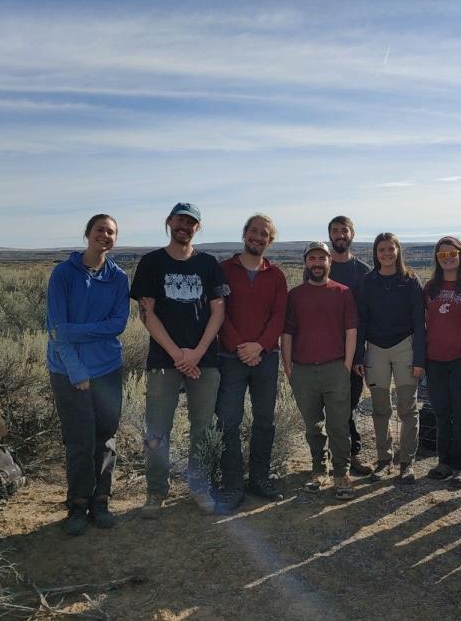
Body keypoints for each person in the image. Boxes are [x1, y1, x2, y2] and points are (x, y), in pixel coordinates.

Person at [130, 202, 227, 518]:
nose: (185, 226)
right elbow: (147, 313)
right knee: (157, 427)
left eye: (191, 222)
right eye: (180, 220)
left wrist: (196, 353)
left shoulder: (210, 264)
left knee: (203, 426)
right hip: (163, 359)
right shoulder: (152, 262)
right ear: (169, 222)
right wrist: (177, 354)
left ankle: (199, 487)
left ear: (198, 228)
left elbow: (218, 311)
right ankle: (155, 492)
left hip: (204, 359)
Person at [46, 214, 129, 535]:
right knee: (80, 439)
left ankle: (101, 500)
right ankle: (78, 504)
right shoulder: (64, 274)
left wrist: (74, 331)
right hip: (69, 371)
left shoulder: (118, 278)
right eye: (100, 230)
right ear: (87, 234)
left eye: (111, 232)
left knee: (106, 437)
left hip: (107, 368)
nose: (105, 236)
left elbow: (118, 324)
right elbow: (56, 330)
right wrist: (76, 369)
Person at [215, 214, 288, 513]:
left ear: (270, 240)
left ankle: (259, 478)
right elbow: (219, 314)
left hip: (266, 358)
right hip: (229, 359)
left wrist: (259, 346)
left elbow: (279, 316)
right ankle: (233, 485)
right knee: (228, 422)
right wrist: (239, 347)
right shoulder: (223, 270)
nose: (258, 237)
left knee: (264, 422)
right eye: (254, 231)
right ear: (245, 233)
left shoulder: (277, 276)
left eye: (265, 234)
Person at [282, 241, 359, 500]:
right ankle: (318, 468)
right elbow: (287, 332)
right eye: (312, 258)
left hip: (335, 368)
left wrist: (346, 365)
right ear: (306, 262)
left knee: (339, 425)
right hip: (302, 371)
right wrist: (288, 366)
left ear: (330, 262)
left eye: (321, 258)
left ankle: (342, 473)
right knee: (312, 425)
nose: (317, 263)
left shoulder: (343, 292)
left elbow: (351, 331)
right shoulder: (295, 295)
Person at [354, 233, 425, 484]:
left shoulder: (410, 280)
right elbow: (361, 319)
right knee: (381, 408)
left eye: (390, 249)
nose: (386, 253)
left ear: (398, 251)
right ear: (376, 253)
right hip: (375, 349)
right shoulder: (368, 281)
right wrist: (358, 355)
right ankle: (383, 460)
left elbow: (419, 321)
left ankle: (406, 462)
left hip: (404, 347)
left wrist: (420, 359)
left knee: (408, 408)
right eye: (381, 249)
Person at [424, 236, 461, 488]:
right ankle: (444, 461)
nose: (447, 258)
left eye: (452, 254)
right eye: (442, 255)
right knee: (440, 412)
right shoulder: (430, 288)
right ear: (437, 258)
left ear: (460, 255)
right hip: (435, 360)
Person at [327, 215, 373, 475]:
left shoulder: (362, 271)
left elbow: (365, 316)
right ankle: (329, 456)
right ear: (330, 235)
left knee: (350, 404)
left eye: (344, 230)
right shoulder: (320, 265)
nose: (340, 235)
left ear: (352, 234)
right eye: (335, 231)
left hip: (353, 352)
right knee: (328, 405)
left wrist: (359, 355)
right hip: (323, 350)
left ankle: (351, 454)